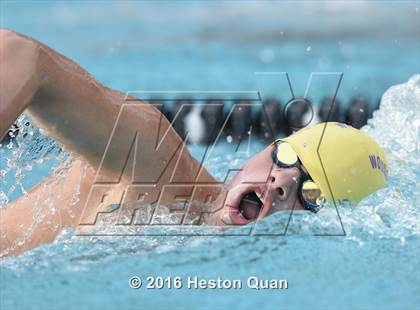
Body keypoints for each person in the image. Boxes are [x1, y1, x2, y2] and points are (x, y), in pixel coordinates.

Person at [0, 29, 388, 256]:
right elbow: (21, 56)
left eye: (312, 194)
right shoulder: (155, 158)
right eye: (286, 157)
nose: (283, 182)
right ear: (263, 148)